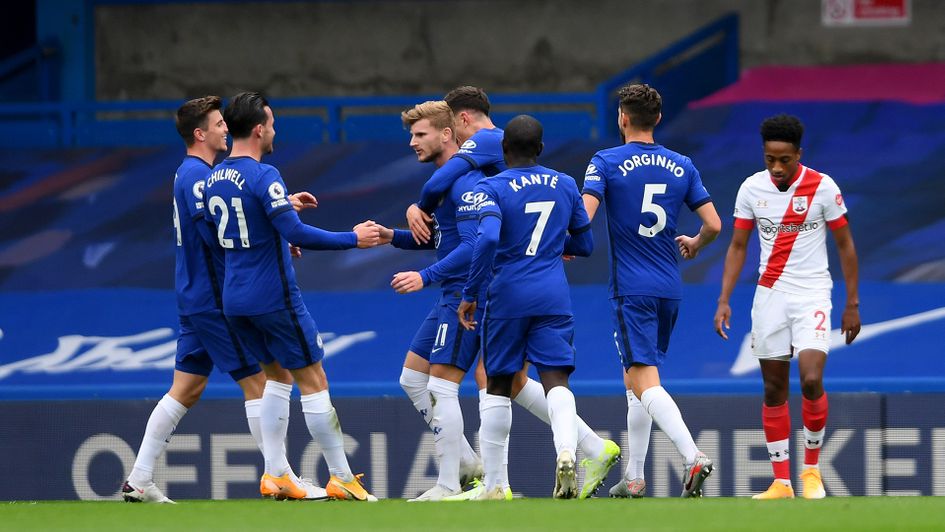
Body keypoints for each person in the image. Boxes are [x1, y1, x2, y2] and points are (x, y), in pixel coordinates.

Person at [122, 96, 306, 503]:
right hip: (213, 298)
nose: (226, 129)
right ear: (200, 133)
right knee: (261, 382)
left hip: (192, 296)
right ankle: (280, 475)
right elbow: (221, 237)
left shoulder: (187, 175)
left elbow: (227, 223)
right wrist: (272, 232)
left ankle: (139, 478)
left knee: (185, 389)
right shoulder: (199, 178)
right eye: (219, 124)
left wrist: (276, 214)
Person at [204, 92, 380, 502]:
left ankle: (276, 474)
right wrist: (353, 239)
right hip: (273, 297)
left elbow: (237, 229)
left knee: (276, 378)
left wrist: (280, 216)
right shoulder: (266, 176)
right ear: (260, 128)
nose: (275, 130)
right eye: (273, 122)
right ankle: (342, 478)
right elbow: (297, 233)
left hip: (235, 298)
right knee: (313, 380)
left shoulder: (214, 176)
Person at [581, 83, 720, 498]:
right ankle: (636, 477)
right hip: (668, 288)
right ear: (657, 119)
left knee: (644, 379)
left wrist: (564, 246)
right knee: (634, 379)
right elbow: (714, 224)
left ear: (622, 117)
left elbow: (583, 217)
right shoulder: (682, 165)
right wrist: (695, 243)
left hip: (631, 288)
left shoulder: (605, 161)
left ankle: (693, 455)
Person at [713, 114, 861, 500]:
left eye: (784, 160)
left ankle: (811, 472)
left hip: (813, 293)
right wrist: (724, 299)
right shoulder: (751, 189)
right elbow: (738, 247)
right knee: (774, 387)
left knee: (811, 378)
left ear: (799, 154)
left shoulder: (822, 187)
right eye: (769, 160)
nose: (777, 168)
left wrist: (852, 303)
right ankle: (782, 482)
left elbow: (845, 245)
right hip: (770, 297)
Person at [458, 115, 594, 500]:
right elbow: (585, 246)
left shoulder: (491, 187)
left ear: (504, 151)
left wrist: (470, 293)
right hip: (553, 293)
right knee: (556, 379)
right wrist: (553, 246)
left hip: (508, 295)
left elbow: (485, 239)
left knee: (499, 383)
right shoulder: (565, 184)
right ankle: (566, 450)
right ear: (541, 149)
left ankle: (496, 483)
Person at [380, 100, 486, 501]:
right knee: (411, 379)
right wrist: (392, 236)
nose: (412, 142)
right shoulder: (444, 181)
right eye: (411, 134)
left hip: (465, 296)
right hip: (448, 292)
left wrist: (424, 277)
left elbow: (475, 245)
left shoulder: (464, 182)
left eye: (420, 134)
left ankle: (447, 483)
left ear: (447, 134)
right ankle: (467, 462)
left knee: (443, 388)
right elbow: (441, 240)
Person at [405, 86, 505, 245]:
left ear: (464, 119)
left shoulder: (485, 139)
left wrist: (419, 208)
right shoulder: (500, 139)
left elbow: (439, 180)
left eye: (452, 125)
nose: (453, 134)